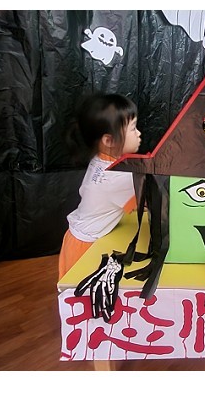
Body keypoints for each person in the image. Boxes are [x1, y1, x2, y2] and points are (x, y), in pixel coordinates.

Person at [58, 93, 142, 280]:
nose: (139, 134)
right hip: (85, 248)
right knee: (85, 291)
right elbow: (146, 203)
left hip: (74, 238)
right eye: (133, 128)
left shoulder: (101, 160)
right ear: (109, 141)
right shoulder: (118, 178)